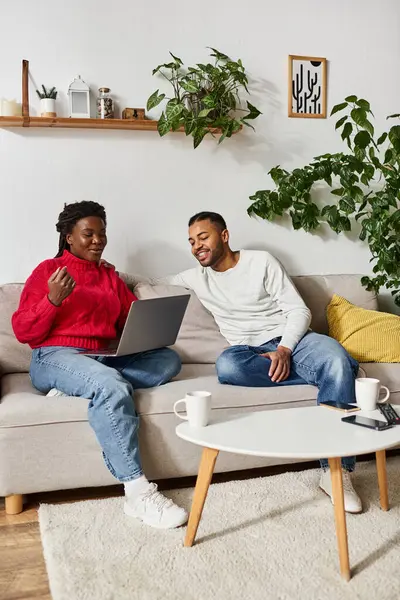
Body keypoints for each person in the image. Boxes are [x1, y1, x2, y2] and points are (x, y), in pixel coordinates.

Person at [120, 211, 362, 514]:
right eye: (192, 242)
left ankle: (336, 474)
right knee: (228, 367)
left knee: (335, 357)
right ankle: (331, 376)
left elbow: (299, 311)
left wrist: (285, 350)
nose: (197, 246)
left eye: (203, 237)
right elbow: (151, 282)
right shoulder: (196, 277)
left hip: (294, 342)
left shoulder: (261, 262)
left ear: (224, 236)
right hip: (248, 353)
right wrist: (110, 272)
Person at [12, 201, 187, 529]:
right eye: (88, 234)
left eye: (101, 233)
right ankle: (137, 493)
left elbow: (129, 319)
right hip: (55, 356)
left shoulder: (109, 275)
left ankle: (77, 387)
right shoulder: (48, 272)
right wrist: (52, 301)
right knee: (112, 385)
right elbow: (24, 331)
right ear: (69, 237)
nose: (97, 240)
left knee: (168, 359)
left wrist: (145, 327)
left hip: (102, 356)